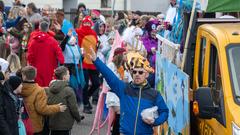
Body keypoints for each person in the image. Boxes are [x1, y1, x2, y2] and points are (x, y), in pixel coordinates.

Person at [88, 49, 169, 135]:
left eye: (140, 72)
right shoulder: (124, 89)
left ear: (146, 74)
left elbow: (164, 111)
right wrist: (96, 60)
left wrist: (155, 121)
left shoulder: (154, 94)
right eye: (134, 72)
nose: (137, 74)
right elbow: (109, 76)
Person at [20, 66, 67, 135]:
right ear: (35, 76)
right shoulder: (39, 90)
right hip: (35, 126)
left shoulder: (18, 89)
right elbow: (42, 109)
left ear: (23, 76)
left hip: (22, 125)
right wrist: (57, 108)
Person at [27, 18, 64, 87]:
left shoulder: (33, 39)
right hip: (50, 69)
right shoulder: (53, 40)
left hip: (36, 69)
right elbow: (61, 58)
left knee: (38, 89)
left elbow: (29, 56)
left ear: (39, 27)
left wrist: (31, 64)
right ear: (48, 28)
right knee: (49, 89)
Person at [47, 66, 83, 135]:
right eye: (68, 74)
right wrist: (78, 118)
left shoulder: (49, 89)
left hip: (52, 123)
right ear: (64, 77)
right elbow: (73, 108)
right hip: (65, 125)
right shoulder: (69, 90)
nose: (69, 76)